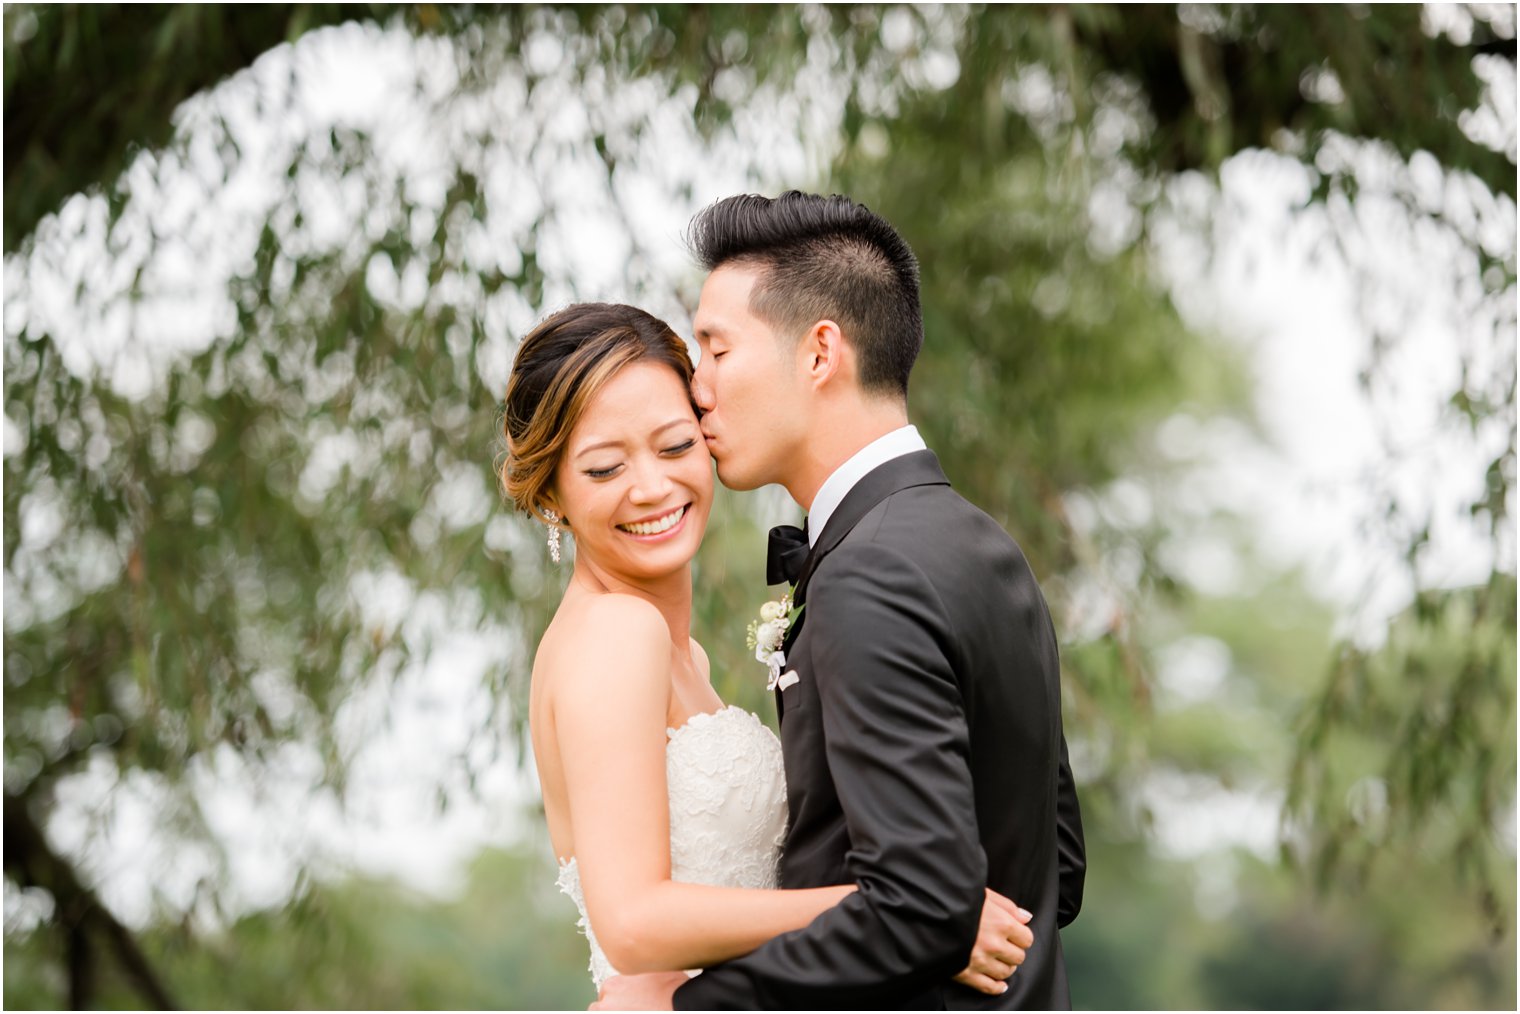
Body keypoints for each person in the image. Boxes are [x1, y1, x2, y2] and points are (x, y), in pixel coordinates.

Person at [595, 192, 1086, 1010]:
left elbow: (924, 908)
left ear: (821, 352)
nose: (698, 390)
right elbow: (1054, 871)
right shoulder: (988, 549)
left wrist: (682, 1007)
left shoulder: (870, 574)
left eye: (715, 351)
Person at [499, 303, 1035, 1001]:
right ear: (550, 493)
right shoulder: (615, 635)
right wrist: (914, 915)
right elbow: (632, 921)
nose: (653, 488)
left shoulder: (677, 652)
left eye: (674, 446)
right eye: (605, 469)